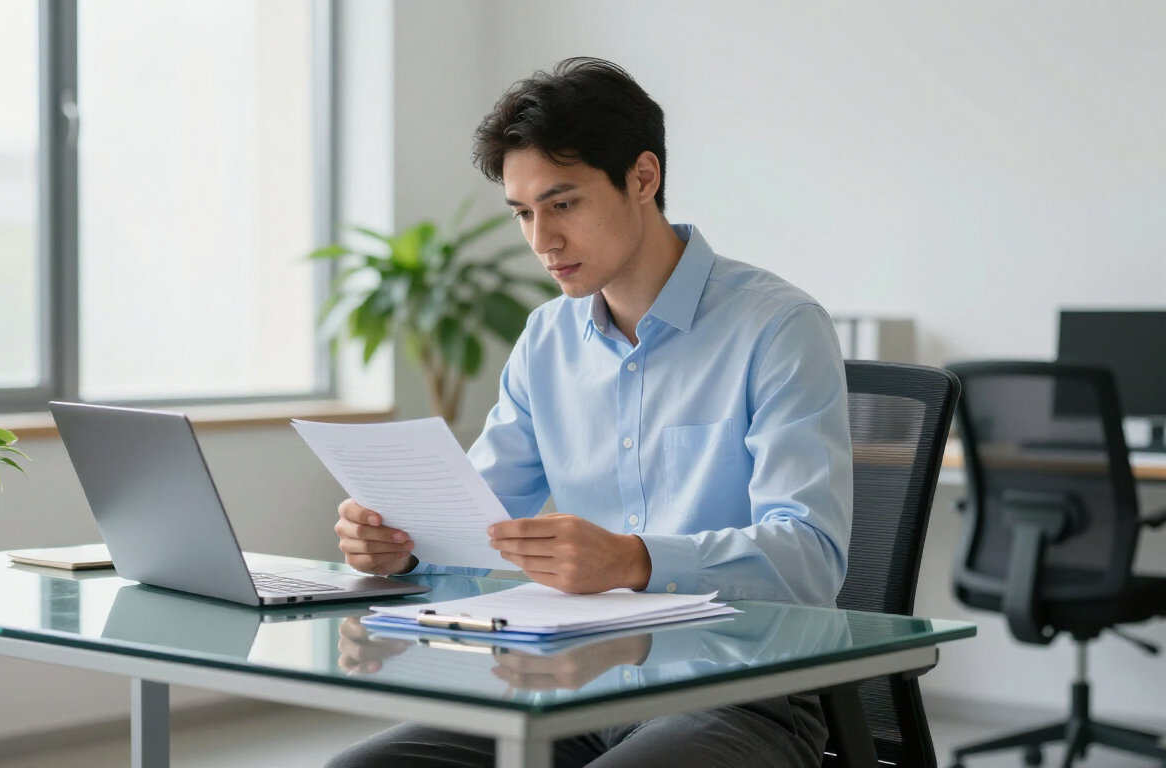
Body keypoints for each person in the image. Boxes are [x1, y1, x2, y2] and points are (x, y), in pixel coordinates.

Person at [327, 57, 851, 768]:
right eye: (522, 213)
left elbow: (810, 558)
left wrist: (633, 560)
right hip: (574, 683)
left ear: (642, 178)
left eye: (562, 203)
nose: (541, 240)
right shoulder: (547, 339)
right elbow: (475, 521)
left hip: (740, 692)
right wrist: (403, 544)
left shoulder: (777, 326)